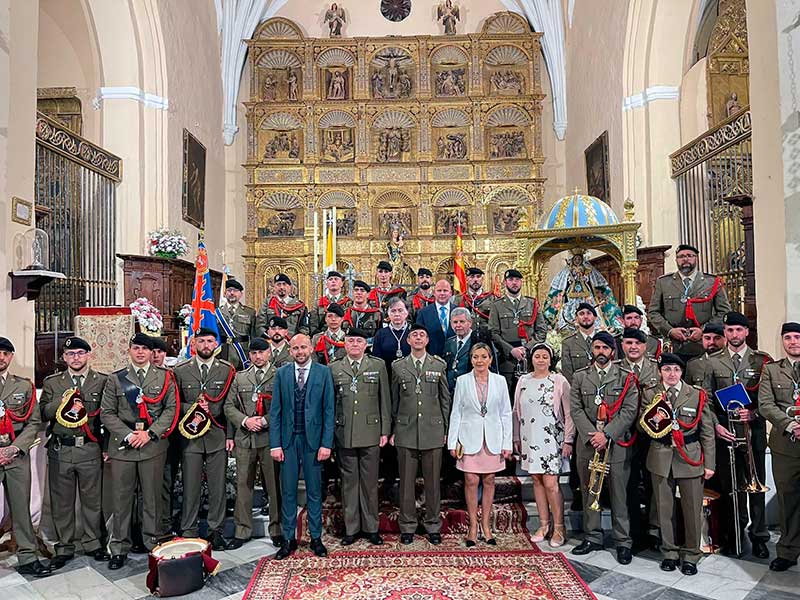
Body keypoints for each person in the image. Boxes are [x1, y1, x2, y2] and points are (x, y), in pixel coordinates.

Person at [101, 333, 178, 570]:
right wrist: (128, 434)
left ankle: (151, 541)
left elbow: (171, 409)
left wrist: (150, 433)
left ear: (152, 352)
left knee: (152, 498)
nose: (141, 352)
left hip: (152, 446)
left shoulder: (164, 377)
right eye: (136, 348)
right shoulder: (116, 379)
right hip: (123, 447)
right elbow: (107, 412)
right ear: (130, 350)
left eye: (145, 349)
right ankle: (119, 548)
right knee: (122, 499)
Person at [703, 311, 772, 558]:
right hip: (725, 433)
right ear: (725, 333)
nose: (734, 335)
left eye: (739, 330)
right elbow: (706, 401)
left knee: (756, 486)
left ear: (746, 332)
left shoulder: (762, 360)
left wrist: (753, 414)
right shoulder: (712, 362)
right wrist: (715, 426)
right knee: (732, 488)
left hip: (752, 432)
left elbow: (768, 398)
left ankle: (760, 536)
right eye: (730, 330)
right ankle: (736, 535)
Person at [639, 353, 715, 576]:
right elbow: (641, 425)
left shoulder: (696, 395)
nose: (671, 374)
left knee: (692, 509)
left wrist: (709, 464)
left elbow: (707, 431)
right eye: (666, 369)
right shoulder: (650, 394)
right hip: (661, 456)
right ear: (659, 371)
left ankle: (691, 554)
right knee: (665, 509)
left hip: (690, 457)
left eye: (676, 370)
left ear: (682, 372)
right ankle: (669, 552)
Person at [570, 332, 639, 564]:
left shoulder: (625, 377)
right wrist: (593, 436)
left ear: (612, 351)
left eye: (605, 348)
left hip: (616, 444)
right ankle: (592, 536)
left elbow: (629, 410)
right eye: (597, 347)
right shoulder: (580, 377)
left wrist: (607, 434)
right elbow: (576, 409)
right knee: (590, 489)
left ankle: (622, 541)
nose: (601, 351)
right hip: (588, 443)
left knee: (619, 493)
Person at [40, 336, 109, 569]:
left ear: (89, 355)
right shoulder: (53, 383)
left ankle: (93, 543)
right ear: (64, 358)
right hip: (61, 448)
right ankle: (64, 546)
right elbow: (44, 413)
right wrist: (63, 399)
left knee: (93, 500)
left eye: (80, 353)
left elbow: (108, 417)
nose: (75, 358)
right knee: (62, 503)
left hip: (89, 448)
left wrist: (106, 448)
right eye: (70, 354)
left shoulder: (101, 381)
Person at [270, 334, 334, 559]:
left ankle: (316, 537)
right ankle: (288, 539)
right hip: (287, 442)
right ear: (290, 351)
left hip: (313, 442)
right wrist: (275, 444)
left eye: (303, 347)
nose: (300, 352)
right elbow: (275, 411)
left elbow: (329, 411)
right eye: (295, 348)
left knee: (314, 492)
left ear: (311, 348)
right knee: (287, 491)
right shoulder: (281, 374)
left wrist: (326, 443)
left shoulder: (324, 373)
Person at [172, 328, 235, 550]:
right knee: (190, 486)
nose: (206, 345)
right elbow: (175, 404)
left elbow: (231, 405)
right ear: (194, 343)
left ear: (216, 344)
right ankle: (189, 529)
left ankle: (215, 530)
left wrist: (230, 435)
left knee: (218, 486)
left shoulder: (226, 370)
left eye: (210, 341)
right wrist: (194, 408)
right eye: (202, 341)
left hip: (217, 436)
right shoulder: (181, 371)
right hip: (191, 438)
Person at [329, 329, 391, 545]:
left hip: (371, 432)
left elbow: (385, 400)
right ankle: (351, 528)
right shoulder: (334, 368)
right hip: (344, 433)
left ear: (367, 344)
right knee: (349, 483)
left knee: (370, 483)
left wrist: (385, 430)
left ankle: (371, 527)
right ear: (344, 344)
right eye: (351, 341)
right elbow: (330, 405)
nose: (355, 344)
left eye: (359, 341)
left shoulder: (377, 365)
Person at [391, 324, 451, 544]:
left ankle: (433, 524)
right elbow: (393, 401)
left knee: (433, 482)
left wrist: (445, 429)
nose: (418, 338)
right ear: (408, 341)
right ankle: (407, 526)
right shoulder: (398, 366)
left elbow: (445, 400)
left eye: (422, 335)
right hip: (406, 430)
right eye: (414, 335)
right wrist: (392, 430)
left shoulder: (438, 365)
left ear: (427, 340)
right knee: (406, 483)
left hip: (432, 430)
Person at [448, 342, 512, 546]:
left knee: (490, 480)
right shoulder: (462, 381)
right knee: (471, 481)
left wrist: (507, 442)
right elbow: (456, 412)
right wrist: (452, 441)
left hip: (493, 438)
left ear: (491, 359)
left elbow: (506, 413)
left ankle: (486, 525)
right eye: (476, 357)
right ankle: (473, 526)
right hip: (469, 438)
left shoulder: (500, 381)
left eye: (484, 356)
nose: (480, 361)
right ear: (471, 359)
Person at [224, 338, 283, 549]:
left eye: (262, 352)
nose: (258, 357)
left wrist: (265, 420)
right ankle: (242, 530)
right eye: (254, 353)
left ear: (270, 353)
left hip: (270, 439)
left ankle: (276, 529)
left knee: (274, 486)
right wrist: (245, 420)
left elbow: (283, 404)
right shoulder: (240, 378)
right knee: (243, 485)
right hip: (245, 438)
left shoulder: (279, 375)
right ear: (249, 356)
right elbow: (229, 406)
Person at [513, 343, 572, 548]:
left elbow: (569, 413)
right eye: (537, 356)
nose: (540, 360)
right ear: (531, 359)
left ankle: (559, 527)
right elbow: (516, 412)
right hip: (530, 438)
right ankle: (544, 525)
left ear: (550, 359)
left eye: (544, 356)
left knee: (551, 483)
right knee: (536, 481)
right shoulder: (523, 380)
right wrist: (516, 438)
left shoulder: (558, 381)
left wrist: (568, 440)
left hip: (552, 440)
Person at [0, 337, 50, 577]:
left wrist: (15, 448)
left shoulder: (23, 386)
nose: (1, 357)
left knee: (22, 509)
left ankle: (28, 556)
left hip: (15, 455)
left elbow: (33, 422)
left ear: (10, 357)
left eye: (6, 353)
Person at [758, 322, 800, 572]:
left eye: (797, 336)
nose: (793, 341)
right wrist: (791, 425)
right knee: (788, 499)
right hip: (786, 446)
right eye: (788, 338)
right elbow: (765, 404)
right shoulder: (772, 371)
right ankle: (788, 550)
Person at [647, 244, 731, 362]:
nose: (685, 259)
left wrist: (703, 330)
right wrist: (670, 330)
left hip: (703, 346)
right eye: (681, 256)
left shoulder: (711, 282)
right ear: (676, 260)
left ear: (696, 258)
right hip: (673, 346)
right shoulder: (664, 283)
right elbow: (653, 312)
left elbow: (724, 311)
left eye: (690, 256)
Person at [619, 327, 660, 549]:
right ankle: (633, 530)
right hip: (625, 435)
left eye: (637, 343)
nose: (633, 347)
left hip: (652, 435)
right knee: (630, 484)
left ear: (645, 346)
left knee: (654, 483)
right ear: (622, 345)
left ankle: (654, 530)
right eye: (628, 343)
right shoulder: (616, 369)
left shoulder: (656, 369)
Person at [489, 269, 548, 397]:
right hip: (507, 359)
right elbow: (494, 333)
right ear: (505, 283)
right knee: (508, 397)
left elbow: (542, 331)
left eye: (517, 280)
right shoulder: (497, 305)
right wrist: (511, 350)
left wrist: (527, 348)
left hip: (529, 358)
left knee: (531, 396)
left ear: (521, 282)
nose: (514, 283)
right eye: (510, 280)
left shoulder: (532, 303)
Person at [217, 278, 257, 370]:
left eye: (235, 291)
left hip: (242, 354)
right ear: (225, 293)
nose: (232, 293)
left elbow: (254, 336)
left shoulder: (250, 312)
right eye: (229, 290)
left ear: (241, 294)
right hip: (223, 354)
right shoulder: (217, 313)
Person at [415, 279, 456, 358]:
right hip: (432, 359)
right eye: (439, 290)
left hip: (454, 360)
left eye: (445, 290)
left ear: (451, 293)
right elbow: (419, 337)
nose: (442, 293)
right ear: (434, 293)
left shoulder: (458, 311)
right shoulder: (423, 313)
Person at [442, 307, 480, 393]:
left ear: (470, 323)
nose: (458, 325)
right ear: (451, 324)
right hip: (451, 392)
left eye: (462, 321)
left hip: (471, 390)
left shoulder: (478, 341)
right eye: (455, 322)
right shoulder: (449, 342)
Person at [561, 303, 600, 383]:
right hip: (579, 391)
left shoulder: (605, 341)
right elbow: (567, 374)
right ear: (576, 318)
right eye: (581, 314)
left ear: (595, 317)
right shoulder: (568, 343)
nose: (585, 316)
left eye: (589, 313)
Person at [372, 297, 411, 371]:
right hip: (387, 375)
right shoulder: (380, 334)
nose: (397, 314)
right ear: (388, 313)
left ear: (407, 312)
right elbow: (377, 361)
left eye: (400, 310)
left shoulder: (413, 333)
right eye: (393, 311)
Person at [310, 270, 352, 336]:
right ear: (326, 284)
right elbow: (313, 323)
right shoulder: (319, 303)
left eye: (336, 279)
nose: (333, 281)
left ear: (341, 283)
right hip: (323, 336)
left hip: (343, 336)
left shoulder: (348, 302)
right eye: (330, 279)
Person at [454, 266, 496, 333]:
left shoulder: (491, 298)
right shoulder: (459, 299)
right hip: (466, 337)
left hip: (486, 338)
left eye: (478, 276)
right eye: (472, 277)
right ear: (467, 280)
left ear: (482, 279)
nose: (475, 279)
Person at [684, 323, 725, 387]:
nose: (712, 342)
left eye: (717, 338)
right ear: (702, 339)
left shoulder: (731, 362)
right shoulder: (693, 364)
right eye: (707, 338)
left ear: (725, 339)